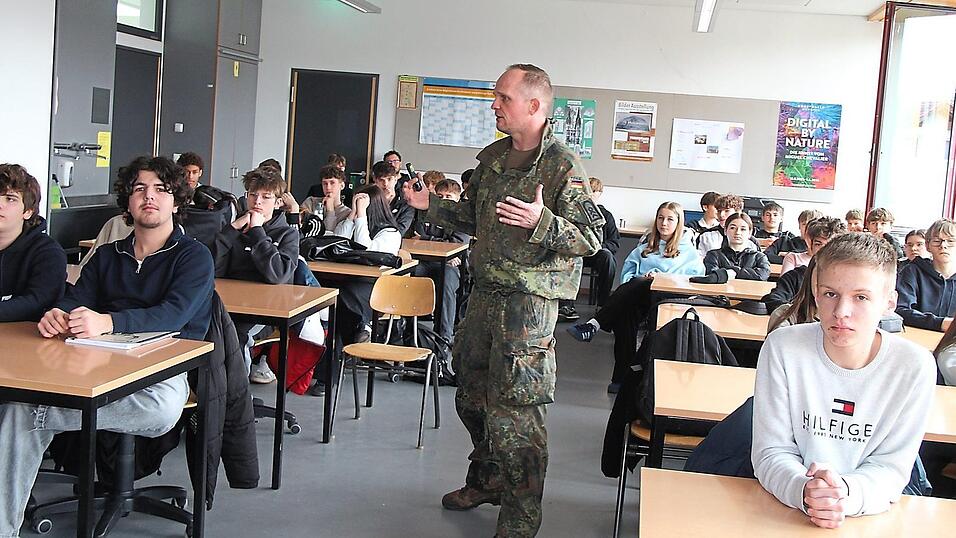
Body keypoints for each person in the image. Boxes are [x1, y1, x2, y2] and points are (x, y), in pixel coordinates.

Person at [402, 63, 602, 537]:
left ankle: (521, 515)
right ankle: (488, 480)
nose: (494, 105)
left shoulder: (561, 166)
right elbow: (476, 218)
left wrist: (541, 222)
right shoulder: (493, 158)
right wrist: (431, 205)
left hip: (527, 305)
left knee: (517, 411)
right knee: (471, 397)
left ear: (534, 105)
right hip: (484, 294)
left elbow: (591, 238)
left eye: (503, 98)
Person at [0, 156, 215, 536]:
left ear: (176, 201)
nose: (149, 197)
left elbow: (174, 314)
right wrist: (58, 314)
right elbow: (75, 297)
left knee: (162, 409)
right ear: (128, 201)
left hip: (160, 375)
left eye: (161, 190)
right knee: (20, 407)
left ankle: (42, 417)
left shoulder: (193, 256)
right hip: (96, 367)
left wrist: (108, 322)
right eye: (139, 189)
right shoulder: (107, 255)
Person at [752, 233, 936, 528]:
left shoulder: (914, 366)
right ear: (815, 293)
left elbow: (891, 467)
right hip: (787, 504)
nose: (841, 312)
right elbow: (771, 451)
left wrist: (844, 494)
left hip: (871, 510)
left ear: (889, 302)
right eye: (830, 294)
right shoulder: (782, 347)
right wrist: (804, 490)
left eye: (861, 297)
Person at [566, 202, 704, 391]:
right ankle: (621, 379)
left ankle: (594, 324)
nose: (664, 223)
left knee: (642, 283)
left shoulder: (689, 252)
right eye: (660, 218)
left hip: (667, 299)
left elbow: (693, 282)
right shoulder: (644, 248)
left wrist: (660, 278)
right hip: (639, 298)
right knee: (625, 316)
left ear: (679, 223)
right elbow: (626, 277)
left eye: (670, 219)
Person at [213, 166, 299, 384]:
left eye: (266, 197)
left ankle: (238, 398)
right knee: (201, 330)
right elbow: (210, 269)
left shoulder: (287, 234)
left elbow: (277, 275)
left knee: (235, 336)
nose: (257, 202)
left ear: (278, 202)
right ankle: (212, 394)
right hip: (229, 305)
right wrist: (231, 230)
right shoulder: (235, 231)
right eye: (253, 195)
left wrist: (257, 232)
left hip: (265, 312)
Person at [334, 184, 402, 343]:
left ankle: (362, 328)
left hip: (376, 285)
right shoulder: (354, 222)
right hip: (347, 277)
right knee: (330, 292)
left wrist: (361, 216)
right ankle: (359, 332)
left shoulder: (390, 233)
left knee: (343, 293)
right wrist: (352, 215)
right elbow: (337, 241)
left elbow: (365, 251)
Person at [0, 164, 66, 322]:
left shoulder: (48, 252)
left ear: (28, 212)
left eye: (10, 199)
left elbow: (37, 302)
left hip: (26, 333)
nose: (0, 204)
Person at [408, 179, 469, 342]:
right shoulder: (425, 213)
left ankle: (444, 338)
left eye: (449, 196)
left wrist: (426, 239)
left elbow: (456, 244)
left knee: (447, 281)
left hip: (451, 266)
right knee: (407, 274)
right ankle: (406, 331)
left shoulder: (462, 218)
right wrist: (440, 243)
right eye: (440, 196)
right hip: (424, 261)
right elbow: (415, 238)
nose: (444, 200)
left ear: (458, 198)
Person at [558, 176, 620, 321]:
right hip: (575, 253)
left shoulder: (606, 216)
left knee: (608, 258)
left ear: (600, 194)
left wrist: (597, 247)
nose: (590, 195)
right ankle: (566, 306)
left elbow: (614, 243)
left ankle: (603, 305)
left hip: (596, 254)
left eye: (594, 191)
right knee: (569, 257)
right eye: (588, 191)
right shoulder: (571, 213)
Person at [762, 217, 846, 314]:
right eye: (818, 244)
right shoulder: (795, 276)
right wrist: (800, 314)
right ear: (811, 245)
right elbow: (773, 299)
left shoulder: (849, 280)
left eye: (830, 246)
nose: (823, 251)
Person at [895, 218, 956, 331]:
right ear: (928, 246)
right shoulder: (912, 271)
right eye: (937, 241)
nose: (943, 245)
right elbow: (900, 310)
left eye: (951, 241)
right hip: (917, 337)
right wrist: (940, 323)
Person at [696, 212, 770, 283]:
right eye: (732, 228)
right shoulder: (713, 255)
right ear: (725, 230)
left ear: (750, 233)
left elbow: (762, 275)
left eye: (743, 229)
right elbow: (712, 276)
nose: (737, 232)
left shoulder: (759, 257)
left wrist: (731, 272)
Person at [370, 160, 414, 236]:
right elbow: (369, 227)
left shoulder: (406, 202)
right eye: (381, 180)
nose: (385, 184)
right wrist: (383, 202)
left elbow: (401, 230)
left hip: (393, 241)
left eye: (389, 179)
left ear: (396, 179)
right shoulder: (368, 199)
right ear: (375, 180)